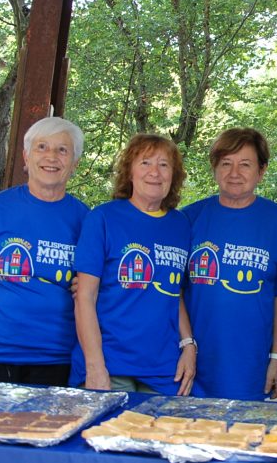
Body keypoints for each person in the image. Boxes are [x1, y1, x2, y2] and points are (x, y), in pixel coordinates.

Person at [0, 116, 89, 386]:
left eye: (63, 150)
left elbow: (91, 286)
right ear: (26, 157)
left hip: (54, 359)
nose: (52, 157)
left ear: (75, 163)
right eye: (42, 147)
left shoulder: (87, 220)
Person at [71, 134, 196, 394]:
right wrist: (95, 367)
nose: (155, 172)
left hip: (164, 368)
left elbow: (175, 293)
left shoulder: (180, 224)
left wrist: (189, 345)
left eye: (164, 165)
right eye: (145, 163)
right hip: (110, 363)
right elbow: (84, 296)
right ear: (129, 171)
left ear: (174, 175)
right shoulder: (103, 218)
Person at [182, 128, 277, 400]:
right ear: (215, 168)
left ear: (261, 171)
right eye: (226, 164)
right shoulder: (189, 218)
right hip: (195, 360)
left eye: (245, 164)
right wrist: (186, 344)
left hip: (251, 363)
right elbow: (173, 292)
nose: (234, 173)